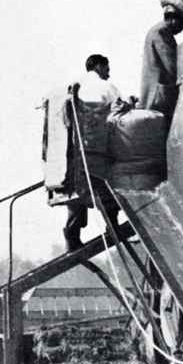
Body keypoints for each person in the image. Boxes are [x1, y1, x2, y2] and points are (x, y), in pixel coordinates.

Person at [63, 54, 121, 252]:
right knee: (109, 189)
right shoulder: (106, 87)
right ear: (98, 66)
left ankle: (72, 237)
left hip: (77, 150)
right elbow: (118, 108)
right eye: (106, 67)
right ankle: (112, 227)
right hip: (97, 147)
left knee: (77, 194)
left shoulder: (76, 87)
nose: (108, 72)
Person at [138, 0, 183, 123]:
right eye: (182, 25)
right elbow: (173, 66)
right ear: (174, 19)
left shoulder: (159, 31)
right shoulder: (161, 32)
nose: (181, 30)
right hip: (159, 98)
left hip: (157, 96)